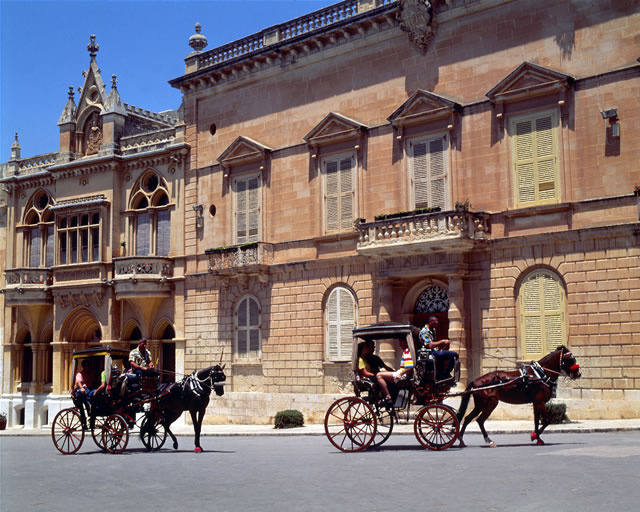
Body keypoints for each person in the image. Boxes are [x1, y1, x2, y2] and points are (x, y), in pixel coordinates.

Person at [373, 338, 414, 402]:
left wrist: (400, 374)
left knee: (379, 375)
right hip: (401, 373)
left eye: (401, 342)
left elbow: (410, 367)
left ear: (406, 343)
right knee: (384, 373)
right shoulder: (408, 351)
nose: (400, 345)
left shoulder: (407, 352)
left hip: (402, 375)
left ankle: (388, 396)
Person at [419, 316, 458, 380]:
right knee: (454, 355)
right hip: (429, 354)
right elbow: (429, 345)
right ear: (431, 322)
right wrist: (442, 342)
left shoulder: (432, 331)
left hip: (434, 352)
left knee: (447, 356)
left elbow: (434, 344)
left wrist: (440, 346)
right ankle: (445, 374)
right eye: (436, 322)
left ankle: (441, 374)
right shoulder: (424, 331)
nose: (437, 323)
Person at [357, 341, 393, 406]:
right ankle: (387, 397)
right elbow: (366, 373)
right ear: (362, 349)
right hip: (367, 378)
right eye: (367, 347)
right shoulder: (360, 360)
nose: (368, 349)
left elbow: (385, 366)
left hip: (370, 376)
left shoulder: (366, 358)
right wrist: (376, 375)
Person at [74, 360, 95, 427]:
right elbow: (79, 382)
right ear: (84, 367)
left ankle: (90, 418)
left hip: (88, 390)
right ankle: (84, 423)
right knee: (82, 410)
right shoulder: (79, 374)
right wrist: (82, 388)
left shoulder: (90, 375)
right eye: (86, 366)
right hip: (82, 392)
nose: (88, 368)